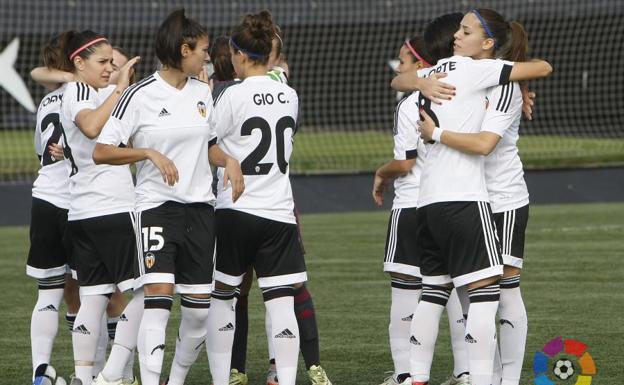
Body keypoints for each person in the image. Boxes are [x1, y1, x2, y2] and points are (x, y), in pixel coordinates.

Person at [390, 11, 551, 385]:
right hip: (467, 198)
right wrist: (421, 82)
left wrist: (436, 129)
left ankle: (503, 378)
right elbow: (400, 78)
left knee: (503, 292)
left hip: (501, 197)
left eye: (466, 31)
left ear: (487, 42)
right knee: (468, 295)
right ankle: (478, 374)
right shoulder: (452, 73)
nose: (457, 38)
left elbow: (485, 144)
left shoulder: (503, 80)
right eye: (458, 31)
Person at [92, 9, 243, 385]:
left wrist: (230, 161)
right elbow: (102, 151)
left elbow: (207, 147)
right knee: (158, 299)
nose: (208, 57)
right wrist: (147, 153)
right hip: (156, 207)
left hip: (201, 210)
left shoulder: (202, 92)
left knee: (196, 312)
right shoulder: (139, 95)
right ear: (183, 49)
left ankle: (174, 380)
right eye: (203, 50)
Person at [212, 25, 330, 385]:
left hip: (236, 208)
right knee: (280, 304)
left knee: (224, 297)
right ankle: (288, 378)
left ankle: (225, 376)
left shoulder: (230, 95)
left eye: (233, 53)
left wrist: (228, 160)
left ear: (242, 56)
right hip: (279, 212)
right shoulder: (288, 94)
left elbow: (210, 146)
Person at [58, 29, 139, 385]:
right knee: (152, 291)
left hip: (86, 211)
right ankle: (112, 375)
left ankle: (84, 377)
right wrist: (119, 89)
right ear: (78, 62)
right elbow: (91, 127)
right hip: (111, 208)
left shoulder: (95, 93)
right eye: (103, 62)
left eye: (112, 63)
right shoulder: (78, 91)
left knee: (93, 298)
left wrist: (115, 89)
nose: (109, 68)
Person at [372, 35, 434, 385]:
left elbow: (405, 163)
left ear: (421, 66)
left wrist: (380, 173)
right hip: (450, 205)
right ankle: (467, 371)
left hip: (411, 206)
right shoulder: (460, 95)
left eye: (405, 61)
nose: (400, 67)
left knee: (405, 290)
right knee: (451, 290)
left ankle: (405, 374)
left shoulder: (411, 104)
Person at [27, 31, 78, 384]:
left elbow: (38, 151)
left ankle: (40, 372)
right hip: (78, 202)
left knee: (48, 293)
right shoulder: (86, 95)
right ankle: (88, 374)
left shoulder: (47, 103)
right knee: (91, 293)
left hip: (44, 198)